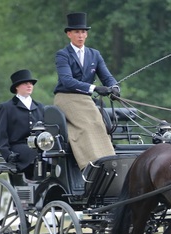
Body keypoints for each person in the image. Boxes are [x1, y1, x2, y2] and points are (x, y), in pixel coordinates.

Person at [53, 12, 120, 170]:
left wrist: (115, 87)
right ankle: (91, 164)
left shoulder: (94, 54)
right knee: (86, 125)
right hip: (66, 97)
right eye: (76, 32)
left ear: (87, 34)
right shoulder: (63, 55)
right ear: (69, 34)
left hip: (85, 100)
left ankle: (108, 160)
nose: (80, 35)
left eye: (83, 32)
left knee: (99, 123)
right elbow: (66, 81)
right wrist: (94, 88)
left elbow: (107, 77)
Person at [0, 69, 44, 178]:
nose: (29, 86)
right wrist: (8, 155)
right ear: (17, 87)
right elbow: (1, 135)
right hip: (17, 147)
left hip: (39, 145)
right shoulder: (6, 107)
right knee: (35, 153)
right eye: (25, 83)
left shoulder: (40, 107)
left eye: (31, 83)